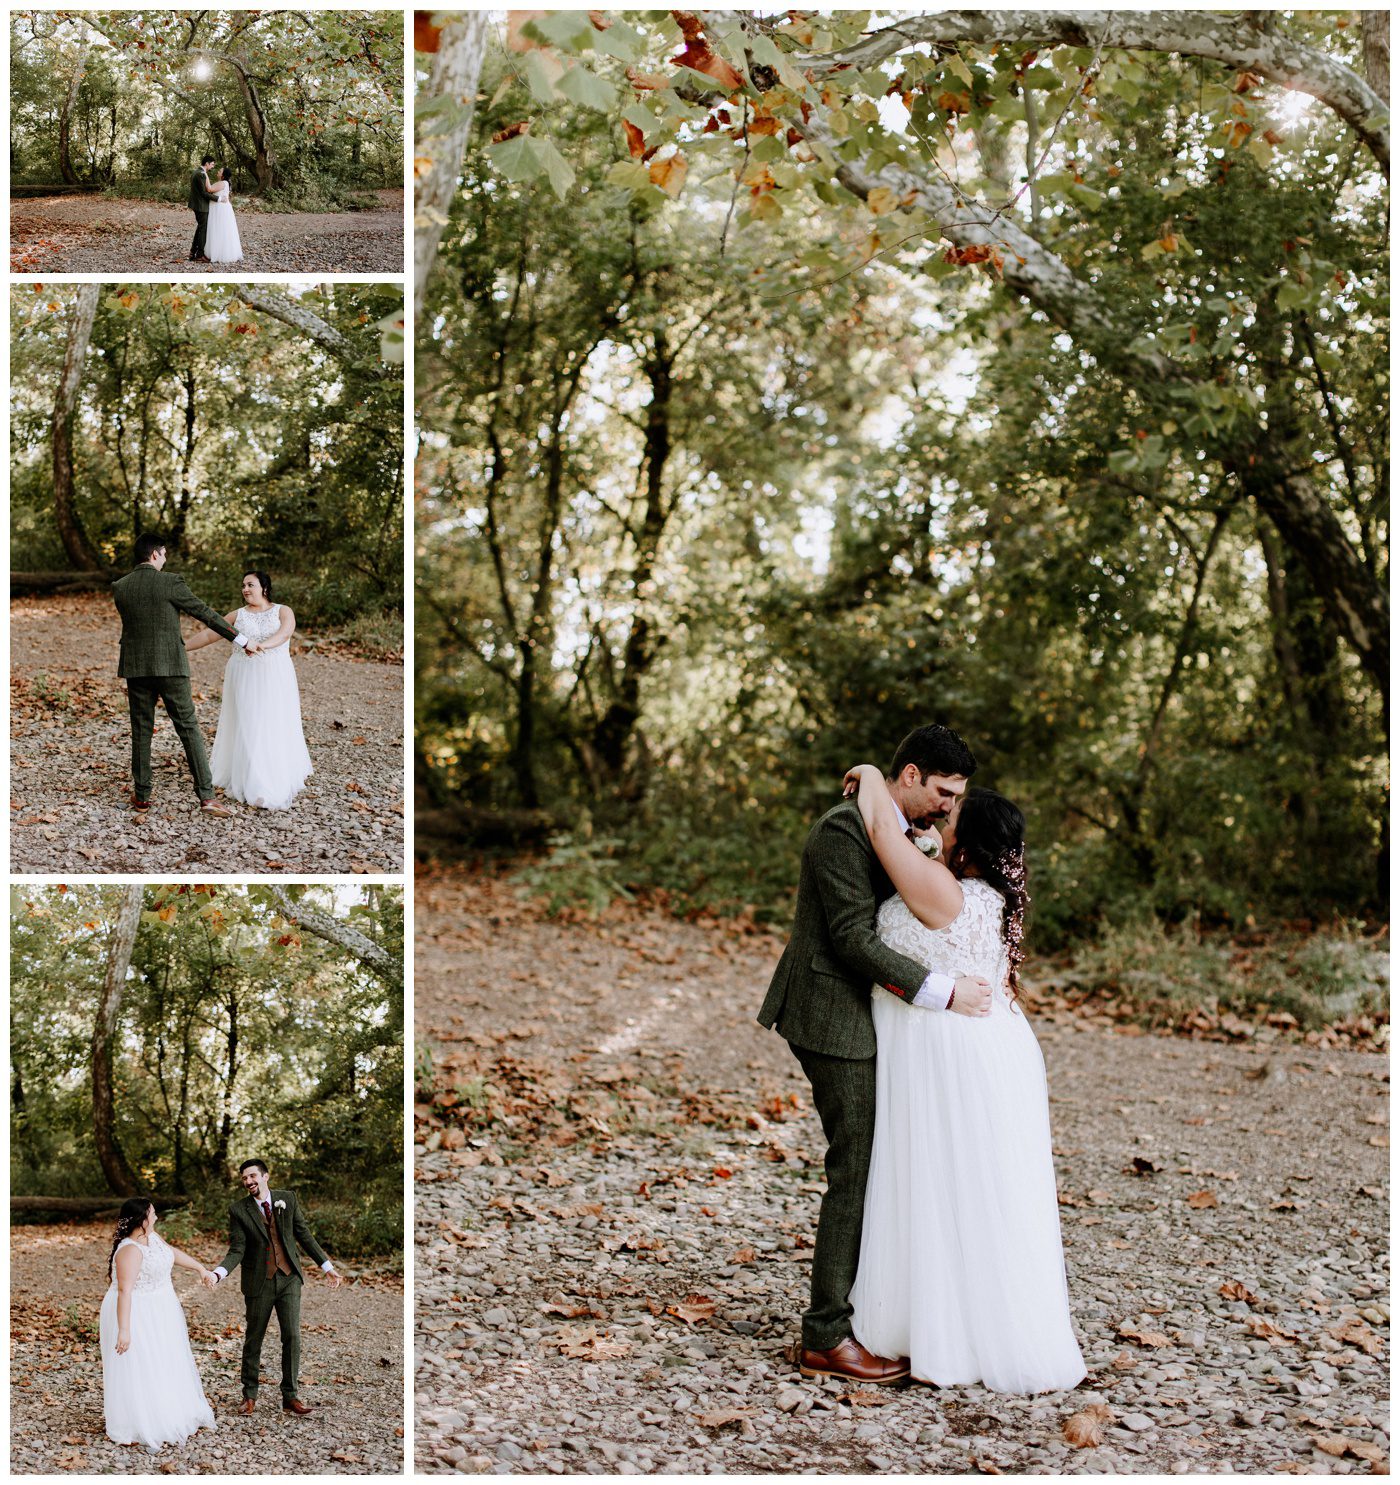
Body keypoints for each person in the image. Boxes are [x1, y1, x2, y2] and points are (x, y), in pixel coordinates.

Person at [843, 767, 1087, 1393]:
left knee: (942, 1185)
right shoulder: (979, 895)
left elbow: (877, 823)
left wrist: (873, 775)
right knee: (962, 1189)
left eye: (950, 817)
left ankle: (947, 1336)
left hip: (949, 1052)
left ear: (967, 845)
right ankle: (956, 1323)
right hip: (975, 1045)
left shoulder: (945, 894)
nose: (939, 819)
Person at [757, 725, 989, 1384]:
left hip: (870, 1010)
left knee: (878, 1158)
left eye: (957, 797)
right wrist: (941, 992)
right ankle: (825, 1334)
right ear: (911, 775)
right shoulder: (841, 830)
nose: (948, 806)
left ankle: (871, 1308)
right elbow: (853, 940)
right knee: (854, 1163)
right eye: (943, 791)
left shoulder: (895, 825)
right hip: (830, 1011)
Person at [112, 533, 262, 816]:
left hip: (136, 666)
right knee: (188, 727)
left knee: (141, 730)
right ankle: (206, 797)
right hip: (170, 666)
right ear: (155, 554)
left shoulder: (120, 587)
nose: (165, 559)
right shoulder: (170, 582)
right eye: (164, 554)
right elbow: (203, 613)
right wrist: (242, 640)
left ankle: (142, 797)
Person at [206, 1159, 342, 1414]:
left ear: (265, 1176)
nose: (248, 1182)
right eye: (244, 1178)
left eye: (252, 1176)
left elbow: (303, 1234)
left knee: (292, 1335)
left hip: (289, 1278)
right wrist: (218, 1273)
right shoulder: (238, 1210)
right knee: (254, 1338)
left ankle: (290, 1396)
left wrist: (326, 1266)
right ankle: (249, 1396)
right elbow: (237, 1249)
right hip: (259, 1283)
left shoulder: (286, 1199)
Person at [188, 569, 312, 809]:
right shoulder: (237, 615)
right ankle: (248, 773)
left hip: (274, 675)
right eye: (243, 585)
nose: (245, 589)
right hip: (243, 675)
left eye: (250, 584)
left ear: (264, 587)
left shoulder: (283, 611)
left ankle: (270, 777)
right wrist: (181, 647)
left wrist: (259, 646)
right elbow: (208, 634)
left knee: (270, 722)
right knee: (247, 722)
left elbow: (285, 633)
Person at [99, 1198, 217, 1450]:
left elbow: (171, 1253)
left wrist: (200, 1268)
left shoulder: (151, 1237)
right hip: (136, 1311)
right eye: (152, 1214)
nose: (156, 1217)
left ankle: (168, 1409)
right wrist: (124, 1329)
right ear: (141, 1219)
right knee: (141, 1363)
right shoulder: (130, 1250)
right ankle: (140, 1420)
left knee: (163, 1359)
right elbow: (124, 1291)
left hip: (161, 1308)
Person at [204, 167, 243, 265]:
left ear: (223, 175)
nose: (218, 171)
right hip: (223, 208)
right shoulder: (225, 183)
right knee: (223, 230)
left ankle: (218, 253)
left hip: (220, 209)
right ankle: (224, 252)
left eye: (220, 171)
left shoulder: (222, 183)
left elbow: (209, 189)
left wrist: (205, 174)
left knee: (218, 229)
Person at [188, 155, 219, 262]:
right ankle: (199, 255)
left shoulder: (196, 172)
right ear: (207, 163)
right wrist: (218, 198)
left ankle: (193, 252)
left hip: (197, 205)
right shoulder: (201, 174)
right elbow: (203, 193)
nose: (213, 166)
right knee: (203, 230)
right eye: (212, 164)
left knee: (200, 228)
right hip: (201, 206)